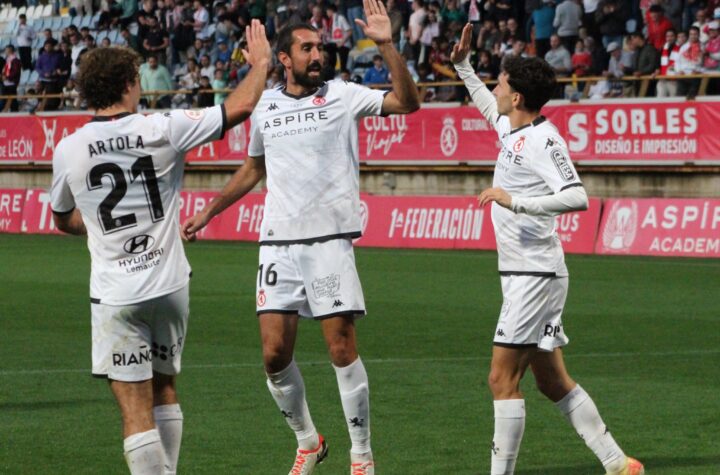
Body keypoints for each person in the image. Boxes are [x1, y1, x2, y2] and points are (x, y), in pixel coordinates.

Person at [181, 1, 420, 473]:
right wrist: (209, 210)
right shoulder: (266, 104)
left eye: (320, 47)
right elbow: (254, 167)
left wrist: (387, 46)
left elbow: (407, 102)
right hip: (277, 241)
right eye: (307, 48)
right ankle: (309, 442)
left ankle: (361, 456)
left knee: (340, 348)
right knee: (273, 354)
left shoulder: (344, 93)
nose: (318, 54)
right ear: (284, 60)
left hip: (329, 239)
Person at [49, 20, 271, 475]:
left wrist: (96, 225)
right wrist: (262, 62)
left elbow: (61, 218)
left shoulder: (68, 149)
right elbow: (241, 105)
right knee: (165, 389)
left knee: (134, 410)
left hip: (116, 294)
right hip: (170, 285)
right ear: (131, 84)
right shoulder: (163, 127)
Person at [451, 23, 644, 475]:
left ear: (517, 97)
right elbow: (486, 105)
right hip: (530, 273)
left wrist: (514, 200)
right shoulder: (515, 129)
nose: (495, 88)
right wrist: (463, 66)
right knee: (551, 380)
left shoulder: (543, 140)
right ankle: (618, 463)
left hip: (534, 275)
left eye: (501, 83)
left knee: (501, 379)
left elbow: (577, 196)